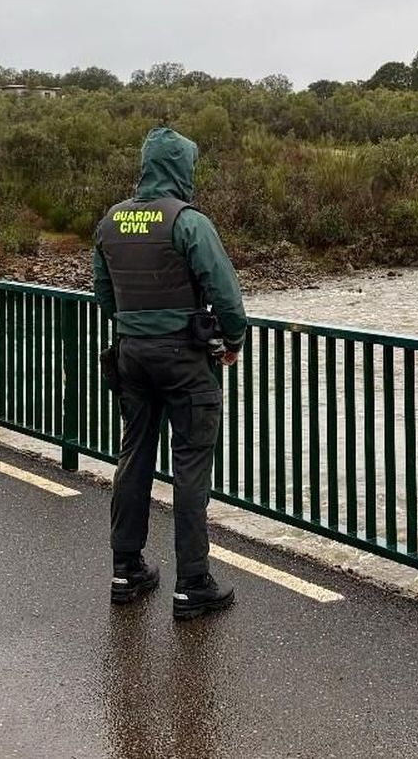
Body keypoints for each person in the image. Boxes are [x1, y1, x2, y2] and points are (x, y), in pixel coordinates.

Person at [92, 126, 247, 620]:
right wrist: (233, 340)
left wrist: (134, 327)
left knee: (134, 456)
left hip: (132, 354)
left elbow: (104, 293)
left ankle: (126, 570)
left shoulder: (112, 220)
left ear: (146, 166)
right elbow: (224, 293)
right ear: (181, 168)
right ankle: (193, 583)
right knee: (190, 466)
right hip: (183, 358)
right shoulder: (188, 221)